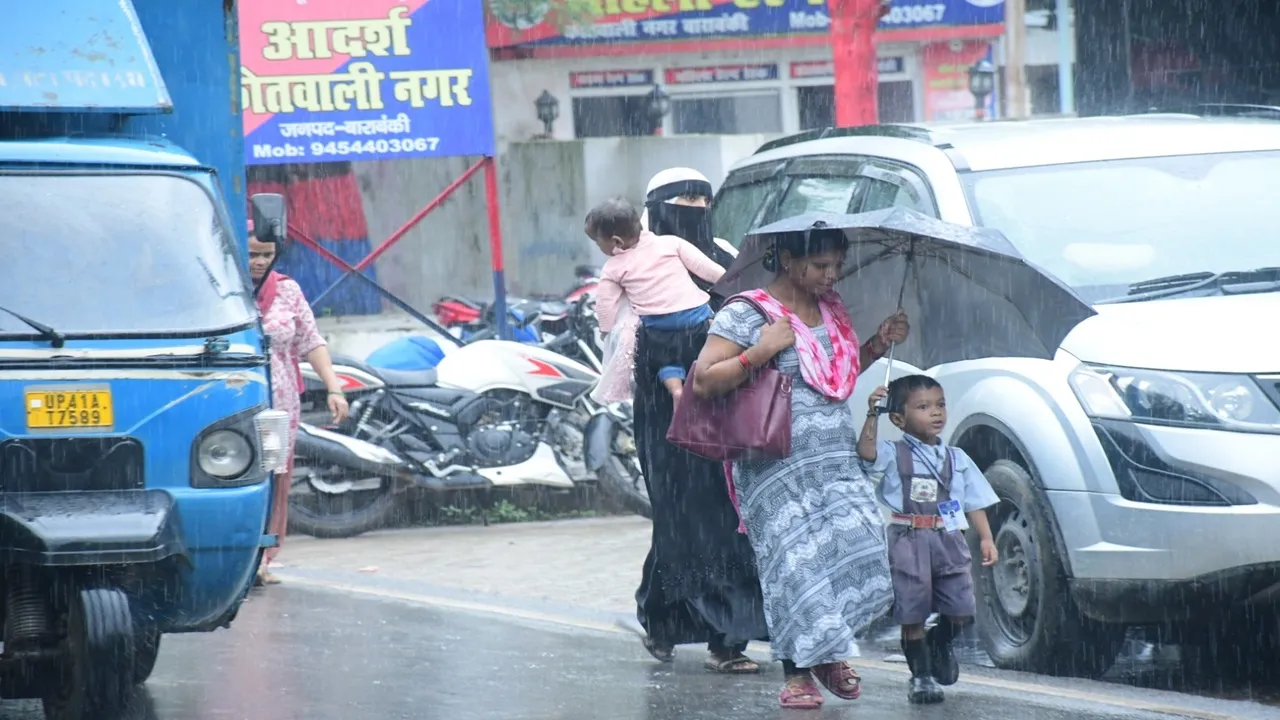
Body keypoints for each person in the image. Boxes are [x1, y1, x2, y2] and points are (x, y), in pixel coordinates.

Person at [692, 227, 909, 709]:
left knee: (859, 549)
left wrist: (876, 342)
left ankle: (826, 647)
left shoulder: (832, 310)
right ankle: (799, 676)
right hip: (772, 464)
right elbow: (704, 381)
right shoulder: (747, 313)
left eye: (837, 266)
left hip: (833, 458)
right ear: (788, 260)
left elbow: (835, 377)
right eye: (821, 267)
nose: (832, 276)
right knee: (796, 567)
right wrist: (761, 349)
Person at [625, 170, 769, 674]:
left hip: (724, 402)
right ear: (659, 208)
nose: (697, 207)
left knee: (726, 518)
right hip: (663, 411)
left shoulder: (724, 254)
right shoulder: (637, 262)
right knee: (681, 517)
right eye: (686, 199)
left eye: (704, 199)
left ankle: (726, 638)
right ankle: (664, 618)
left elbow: (754, 307)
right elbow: (629, 340)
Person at [858, 375, 999, 705]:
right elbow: (865, 454)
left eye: (940, 405)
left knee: (962, 609)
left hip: (949, 537)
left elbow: (974, 501)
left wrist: (987, 538)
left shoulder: (957, 457)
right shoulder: (893, 454)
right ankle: (920, 676)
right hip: (908, 538)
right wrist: (871, 414)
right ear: (898, 418)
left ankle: (939, 641)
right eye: (923, 407)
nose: (935, 413)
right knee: (913, 610)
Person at [248, 223, 350, 586]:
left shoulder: (287, 290)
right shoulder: (223, 291)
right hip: (232, 400)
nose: (259, 262)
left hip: (279, 404)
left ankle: (262, 555)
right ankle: (233, 553)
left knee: (274, 478)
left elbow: (311, 340)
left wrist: (334, 389)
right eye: (251, 255)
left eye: (266, 255)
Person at [588, 198, 724, 403]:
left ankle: (676, 390)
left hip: (659, 326)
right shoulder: (670, 242)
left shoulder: (613, 267)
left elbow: (605, 304)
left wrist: (605, 329)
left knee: (663, 359)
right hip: (696, 317)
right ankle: (705, 381)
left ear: (617, 242)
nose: (599, 247)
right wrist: (725, 280)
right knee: (705, 344)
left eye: (598, 242)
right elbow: (705, 268)